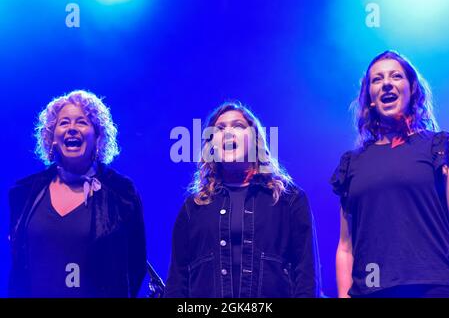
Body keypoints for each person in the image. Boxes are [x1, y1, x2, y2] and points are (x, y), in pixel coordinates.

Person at [165, 101, 320, 298]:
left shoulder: (288, 200)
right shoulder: (193, 208)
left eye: (237, 126)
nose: (227, 132)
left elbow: (306, 274)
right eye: (219, 129)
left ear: (256, 140)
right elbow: (177, 281)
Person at [332, 50, 449, 298]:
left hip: (433, 286)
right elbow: (345, 245)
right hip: (371, 290)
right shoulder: (352, 163)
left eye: (396, 76)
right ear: (370, 98)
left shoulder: (438, 148)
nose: (386, 83)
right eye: (377, 79)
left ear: (411, 90)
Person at [8, 90, 147, 297]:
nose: (72, 129)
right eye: (64, 123)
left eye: (81, 122)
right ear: (51, 137)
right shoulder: (25, 193)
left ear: (97, 137)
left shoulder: (121, 193)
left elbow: (135, 265)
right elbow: (18, 266)